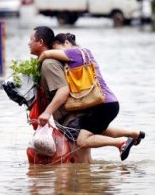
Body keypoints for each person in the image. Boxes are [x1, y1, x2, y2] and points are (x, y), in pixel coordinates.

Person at [37, 32, 145, 162]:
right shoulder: (85, 54)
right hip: (108, 103)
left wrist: (36, 66)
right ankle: (134, 134)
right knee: (100, 130)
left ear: (66, 43)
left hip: (104, 105)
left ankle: (121, 143)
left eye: (57, 49)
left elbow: (45, 54)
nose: (56, 53)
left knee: (82, 140)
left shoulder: (75, 52)